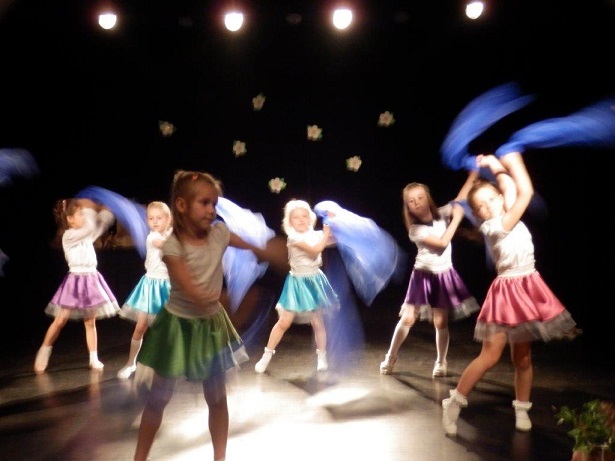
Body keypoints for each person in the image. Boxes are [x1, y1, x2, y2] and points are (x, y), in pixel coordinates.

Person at [132, 170, 266, 461]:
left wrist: (264, 251)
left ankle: (220, 457)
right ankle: (139, 457)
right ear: (181, 205)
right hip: (177, 328)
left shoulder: (219, 233)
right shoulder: (173, 246)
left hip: (210, 327)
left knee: (217, 399)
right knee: (158, 399)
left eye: (214, 204)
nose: (211, 210)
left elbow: (247, 244)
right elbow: (191, 289)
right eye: (204, 203)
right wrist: (227, 302)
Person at [441, 153, 578, 436]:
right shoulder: (495, 226)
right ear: (477, 215)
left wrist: (496, 165)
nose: (488, 207)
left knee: (523, 358)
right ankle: (454, 402)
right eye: (481, 206)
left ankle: (521, 408)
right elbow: (524, 192)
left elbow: (511, 190)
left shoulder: (507, 214)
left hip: (528, 285)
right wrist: (512, 163)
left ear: (501, 198)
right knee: (490, 356)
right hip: (507, 292)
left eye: (492, 200)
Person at [379, 181, 480, 377]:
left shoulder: (441, 214)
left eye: (420, 197)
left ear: (428, 198)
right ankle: (390, 356)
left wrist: (473, 174)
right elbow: (441, 245)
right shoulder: (415, 230)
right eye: (411, 201)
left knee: (440, 322)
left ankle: (441, 361)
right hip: (422, 275)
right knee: (408, 317)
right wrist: (456, 220)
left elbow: (459, 200)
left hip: (443, 274)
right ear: (408, 207)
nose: (417, 202)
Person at [34, 197, 120, 373]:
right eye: (80, 214)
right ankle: (44, 349)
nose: (84, 216)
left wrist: (106, 212)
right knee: (60, 320)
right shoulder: (69, 236)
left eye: (84, 214)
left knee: (90, 322)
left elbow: (99, 227)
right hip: (75, 281)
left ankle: (93, 358)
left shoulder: (86, 235)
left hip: (91, 279)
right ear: (70, 219)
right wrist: (90, 208)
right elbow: (90, 227)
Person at [254, 199, 338, 374]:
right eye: (296, 217)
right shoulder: (293, 238)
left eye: (304, 216)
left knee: (317, 321)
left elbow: (334, 239)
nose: (301, 220)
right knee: (284, 322)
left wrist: (332, 221)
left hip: (314, 280)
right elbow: (315, 251)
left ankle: (322, 357)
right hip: (297, 283)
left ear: (310, 218)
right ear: (290, 221)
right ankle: (267, 355)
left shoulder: (315, 235)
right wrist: (325, 234)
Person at [116, 201, 173, 381]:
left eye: (159, 218)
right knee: (141, 325)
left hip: (168, 286)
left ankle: (167, 363)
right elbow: (166, 245)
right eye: (151, 218)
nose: (154, 222)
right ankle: (131, 363)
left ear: (168, 219)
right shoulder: (153, 237)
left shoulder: (172, 235)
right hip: (150, 286)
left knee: (167, 328)